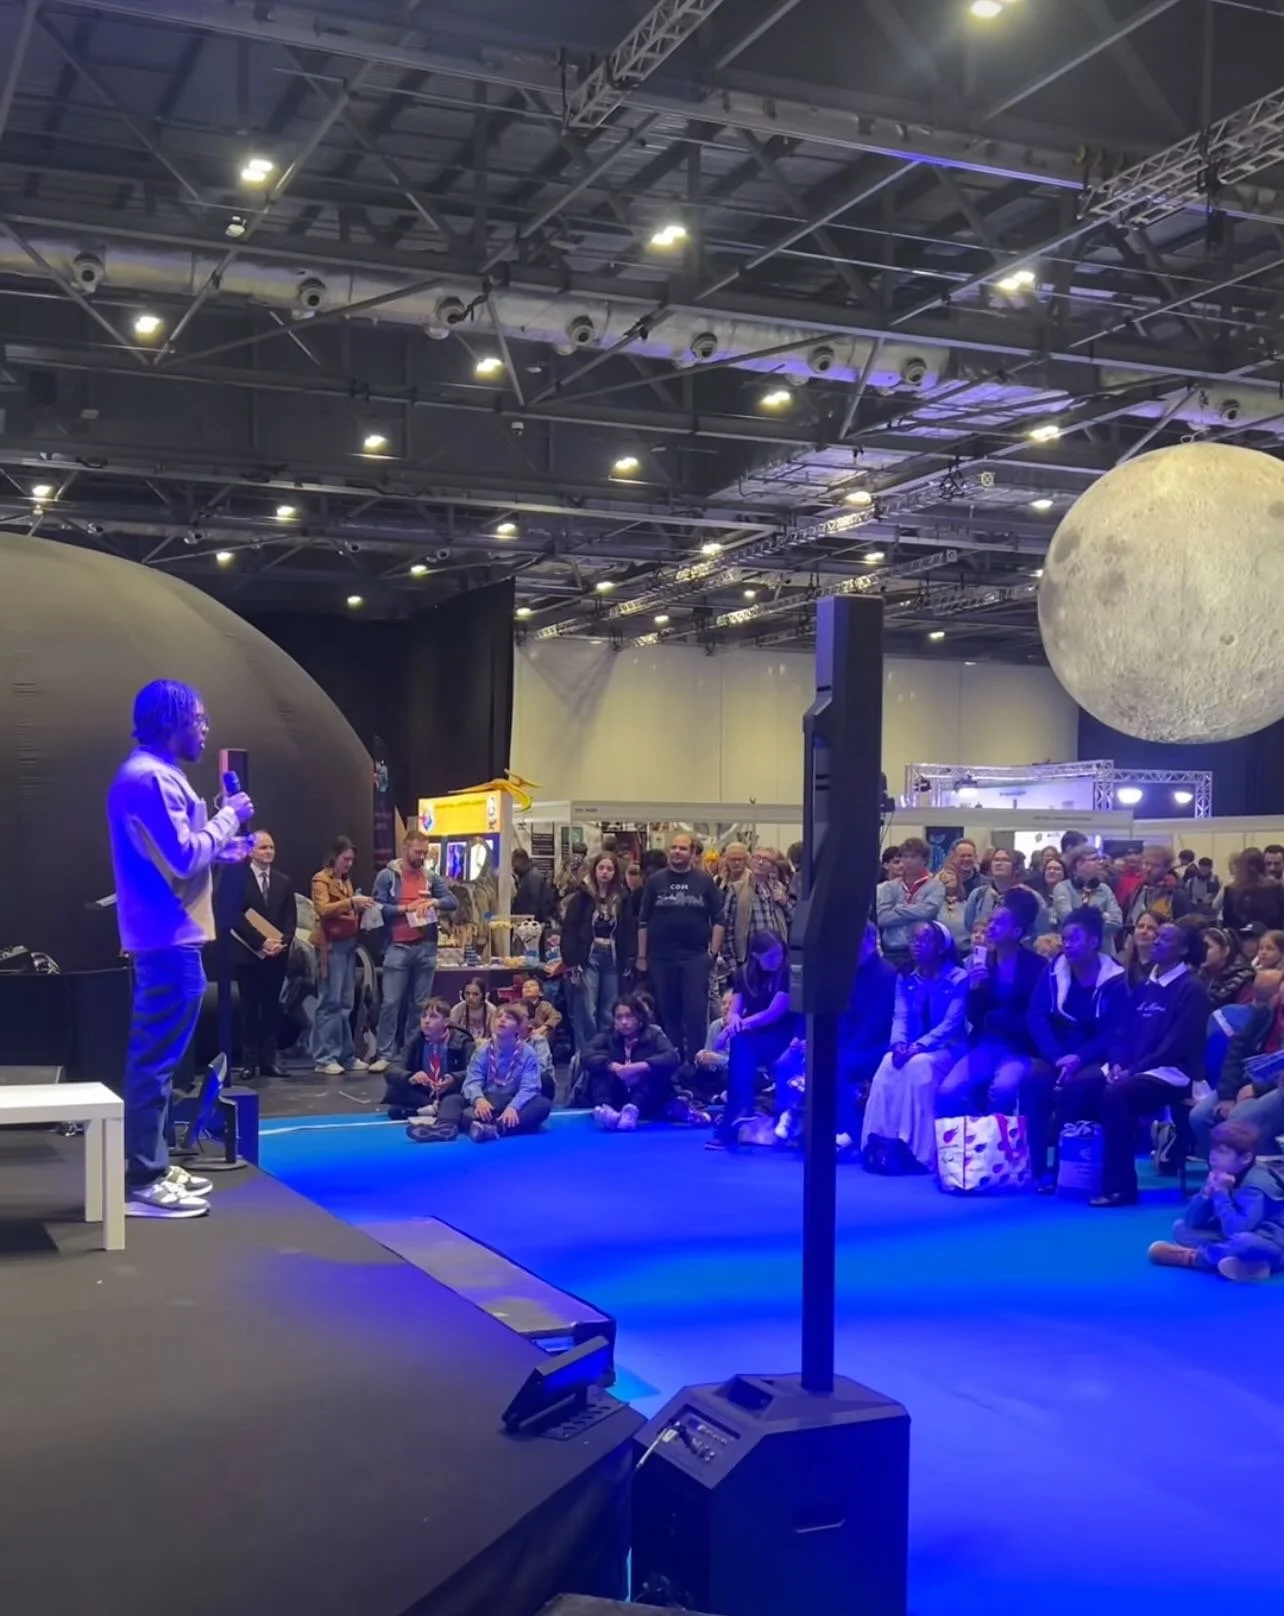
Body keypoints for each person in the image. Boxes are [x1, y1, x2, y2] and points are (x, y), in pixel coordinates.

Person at [107, 679, 254, 1218]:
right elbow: (185, 857)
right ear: (170, 722)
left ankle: (152, 1162)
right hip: (166, 938)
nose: (205, 728)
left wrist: (225, 846)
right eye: (198, 719)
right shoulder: (149, 778)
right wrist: (228, 817)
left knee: (163, 1060)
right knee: (155, 1061)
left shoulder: (156, 776)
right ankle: (143, 1179)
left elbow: (179, 857)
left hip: (171, 934)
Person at [1055, 922, 1209, 1206]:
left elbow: (1175, 1045)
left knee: (1117, 1094)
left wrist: (1132, 1071)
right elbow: (1121, 1032)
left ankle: (1121, 1187)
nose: (1156, 941)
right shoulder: (1145, 985)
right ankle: (1072, 1177)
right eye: (1157, 936)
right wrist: (1116, 1062)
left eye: (1165, 938)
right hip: (1134, 1068)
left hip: (1174, 1073)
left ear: (1184, 949)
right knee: (1079, 1086)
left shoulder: (1191, 989)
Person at [936, 889, 1054, 1178]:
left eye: (998, 923)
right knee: (948, 1092)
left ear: (1016, 931)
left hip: (1020, 1047)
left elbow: (1037, 1016)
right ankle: (965, 1152)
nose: (990, 927)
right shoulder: (980, 961)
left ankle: (998, 1158)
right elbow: (974, 1018)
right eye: (990, 922)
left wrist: (997, 1019)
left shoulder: (1037, 967)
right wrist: (975, 991)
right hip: (985, 1045)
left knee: (1002, 1090)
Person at [1027, 904, 1129, 1186]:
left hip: (1097, 1058)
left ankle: (1063, 1171)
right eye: (1065, 938)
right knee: (1033, 1081)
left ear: (1094, 942)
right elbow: (1036, 1016)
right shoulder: (1052, 972)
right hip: (1056, 1054)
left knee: (1075, 1087)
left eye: (1074, 939)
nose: (1067, 944)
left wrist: (1079, 1058)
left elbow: (1114, 1032)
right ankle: (1034, 1167)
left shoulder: (1116, 979)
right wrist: (1056, 1056)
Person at [862, 921, 968, 1170]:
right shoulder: (906, 976)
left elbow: (951, 1024)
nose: (916, 945)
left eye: (924, 940)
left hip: (948, 1048)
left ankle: (919, 1151)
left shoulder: (958, 978)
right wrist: (898, 1043)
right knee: (888, 1063)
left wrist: (919, 1046)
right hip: (911, 1047)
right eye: (913, 940)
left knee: (919, 1068)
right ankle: (878, 1141)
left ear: (941, 947)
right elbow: (900, 1016)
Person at [370, 828, 458, 1075]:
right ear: (405, 847)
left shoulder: (430, 876)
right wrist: (406, 909)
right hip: (397, 946)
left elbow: (453, 902)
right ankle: (385, 1053)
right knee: (390, 1003)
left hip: (425, 947)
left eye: (425, 852)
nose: (421, 856)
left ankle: (411, 1052)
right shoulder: (388, 876)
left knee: (420, 1006)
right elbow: (377, 908)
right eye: (418, 851)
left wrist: (434, 902)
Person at [1148, 1121, 1284, 1281]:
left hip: (1273, 1243)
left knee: (1244, 1242)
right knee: (1181, 1228)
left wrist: (1220, 1193)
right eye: (1213, 1149)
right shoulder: (1223, 1173)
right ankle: (1251, 1266)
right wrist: (1206, 1194)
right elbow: (1192, 1222)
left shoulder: (1257, 1184)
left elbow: (1236, 1230)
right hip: (1234, 1235)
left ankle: (1193, 1258)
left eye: (1222, 1152)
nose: (1213, 1156)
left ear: (1245, 1157)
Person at [636, 833, 724, 1075]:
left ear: (692, 853)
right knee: (668, 1012)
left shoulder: (705, 881)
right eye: (673, 848)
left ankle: (697, 1065)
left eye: (682, 849)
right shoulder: (655, 881)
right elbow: (643, 921)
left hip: (695, 957)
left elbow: (719, 919)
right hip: (661, 958)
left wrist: (713, 953)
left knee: (695, 1014)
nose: (677, 852)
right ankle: (672, 1064)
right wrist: (642, 957)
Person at [710, 930, 799, 1150]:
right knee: (741, 1044)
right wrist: (733, 1022)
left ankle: (736, 1113)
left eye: (779, 954)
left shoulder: (786, 973)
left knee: (741, 1041)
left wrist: (733, 1029)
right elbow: (735, 1010)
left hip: (783, 1034)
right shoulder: (744, 974)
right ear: (756, 956)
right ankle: (740, 1109)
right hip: (755, 1033)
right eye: (770, 957)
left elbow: (774, 1012)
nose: (776, 960)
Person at [1191, 969, 1284, 1158]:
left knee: (1239, 1122)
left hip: (1275, 1086)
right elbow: (1236, 1051)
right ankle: (1222, 1175)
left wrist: (1257, 1088)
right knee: (1200, 1117)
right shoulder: (1267, 1010)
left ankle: (1265, 1180)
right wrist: (1227, 1095)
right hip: (1251, 1078)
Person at [228, 829, 295, 1079]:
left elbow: (290, 918)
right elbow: (235, 917)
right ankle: (249, 1061)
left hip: (276, 956)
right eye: (263, 848)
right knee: (249, 1008)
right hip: (248, 954)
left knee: (270, 1008)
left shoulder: (283, 881)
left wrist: (282, 942)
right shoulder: (238, 879)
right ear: (251, 852)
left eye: (271, 848)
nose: (268, 852)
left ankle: (269, 1060)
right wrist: (261, 942)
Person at [310, 836, 376, 1075]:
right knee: (329, 1002)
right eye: (345, 858)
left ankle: (345, 1054)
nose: (349, 864)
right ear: (334, 857)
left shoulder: (345, 881)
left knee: (346, 1003)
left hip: (348, 944)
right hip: (331, 947)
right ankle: (323, 1057)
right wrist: (351, 902)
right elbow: (322, 909)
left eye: (352, 860)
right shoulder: (321, 879)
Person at [437, 1003, 550, 1142]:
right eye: (498, 1017)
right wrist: (479, 1100)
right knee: (452, 1100)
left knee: (542, 1105)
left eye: (508, 1018)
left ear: (518, 1027)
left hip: (512, 1099)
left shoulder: (528, 1053)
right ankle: (444, 1129)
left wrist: (513, 1108)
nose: (502, 1020)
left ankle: (492, 1127)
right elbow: (472, 1081)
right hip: (487, 1100)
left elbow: (530, 1087)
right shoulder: (482, 1051)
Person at [562, 852, 636, 1050]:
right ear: (594, 870)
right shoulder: (581, 898)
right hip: (588, 956)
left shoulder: (622, 899)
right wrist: (571, 961)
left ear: (615, 873)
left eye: (609, 869)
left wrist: (630, 957)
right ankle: (586, 1052)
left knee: (609, 1008)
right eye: (601, 868)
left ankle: (606, 1049)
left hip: (612, 955)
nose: (605, 873)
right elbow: (569, 929)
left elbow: (629, 929)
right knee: (587, 1008)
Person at [835, 923, 898, 1154]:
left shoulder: (886, 973)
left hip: (877, 1045)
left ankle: (854, 1132)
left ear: (870, 943)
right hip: (850, 1042)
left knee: (838, 1066)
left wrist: (844, 1048)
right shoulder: (846, 972)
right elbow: (841, 1015)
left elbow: (878, 1022)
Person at [584, 995, 681, 1131]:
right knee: (601, 1068)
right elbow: (586, 1054)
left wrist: (641, 1066)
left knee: (656, 1071)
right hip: (618, 1093)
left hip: (645, 1097)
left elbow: (672, 1057)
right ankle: (606, 1111)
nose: (624, 1022)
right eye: (619, 1017)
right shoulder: (607, 1036)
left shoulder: (654, 1034)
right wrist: (612, 1065)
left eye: (629, 1016)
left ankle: (632, 1111)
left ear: (639, 1017)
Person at [384, 998, 473, 1122]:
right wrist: (411, 1077)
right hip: (427, 1091)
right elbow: (392, 1068)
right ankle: (434, 1108)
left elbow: (474, 1072)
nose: (426, 1021)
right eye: (424, 1016)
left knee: (456, 1100)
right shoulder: (416, 1039)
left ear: (446, 1021)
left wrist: (454, 1078)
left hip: (451, 1091)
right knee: (393, 1091)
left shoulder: (463, 1041)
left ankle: (425, 1111)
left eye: (433, 1017)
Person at [720, 844, 790, 973]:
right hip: (748, 960)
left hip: (775, 959)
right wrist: (733, 965)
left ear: (773, 866)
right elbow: (727, 929)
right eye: (757, 858)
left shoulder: (778, 887)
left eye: (766, 860)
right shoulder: (736, 889)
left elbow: (792, 919)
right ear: (751, 861)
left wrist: (784, 902)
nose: (761, 862)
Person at [876, 837, 944, 967]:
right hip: (892, 950)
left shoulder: (936, 886)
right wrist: (914, 910)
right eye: (904, 857)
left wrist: (898, 908)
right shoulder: (889, 887)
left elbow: (927, 913)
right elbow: (882, 917)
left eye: (913, 857)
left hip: (923, 950)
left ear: (924, 860)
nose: (907, 861)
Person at [1051, 852, 1123, 955]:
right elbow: (1068, 920)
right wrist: (1101, 917)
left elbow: (1117, 921)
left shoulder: (1104, 889)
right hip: (1074, 954)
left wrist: (1085, 925)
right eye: (1094, 859)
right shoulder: (1062, 888)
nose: (1101, 862)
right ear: (1079, 864)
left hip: (1105, 955)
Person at [1222, 847, 1284, 942]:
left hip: (1240, 941)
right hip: (1271, 941)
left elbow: (1228, 924)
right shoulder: (1275, 887)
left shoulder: (1231, 889)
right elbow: (1280, 920)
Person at [1124, 846, 1192, 930]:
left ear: (1166, 868)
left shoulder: (1176, 896)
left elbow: (1184, 929)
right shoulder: (1136, 892)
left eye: (1155, 866)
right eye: (1146, 864)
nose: (1148, 869)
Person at [1200, 925, 1255, 1009]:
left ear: (1225, 951)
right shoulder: (1197, 973)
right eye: (1201, 946)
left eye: (1208, 947)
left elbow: (1242, 1015)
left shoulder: (1245, 979)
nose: (1203, 950)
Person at [511, 847, 558, 925]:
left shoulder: (532, 877)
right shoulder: (528, 875)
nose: (513, 867)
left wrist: (529, 923)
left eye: (514, 863)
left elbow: (534, 903)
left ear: (520, 861)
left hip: (531, 924)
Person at [937, 863, 972, 957]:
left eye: (950, 873)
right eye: (942, 874)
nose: (946, 877)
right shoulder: (933, 905)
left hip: (965, 954)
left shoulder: (968, 904)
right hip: (940, 955)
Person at [1120, 908, 1161, 991]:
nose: (1144, 931)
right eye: (1140, 926)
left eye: (1150, 928)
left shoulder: (1162, 969)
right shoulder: (1125, 966)